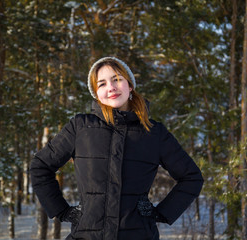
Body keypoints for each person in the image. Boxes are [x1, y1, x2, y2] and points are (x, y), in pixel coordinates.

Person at [30, 57, 204, 240]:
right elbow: (40, 166)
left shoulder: (154, 133)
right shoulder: (80, 128)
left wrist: (162, 213)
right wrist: (62, 211)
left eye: (117, 79)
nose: (111, 87)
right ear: (97, 93)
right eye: (102, 84)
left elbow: (191, 177)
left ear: (130, 86)